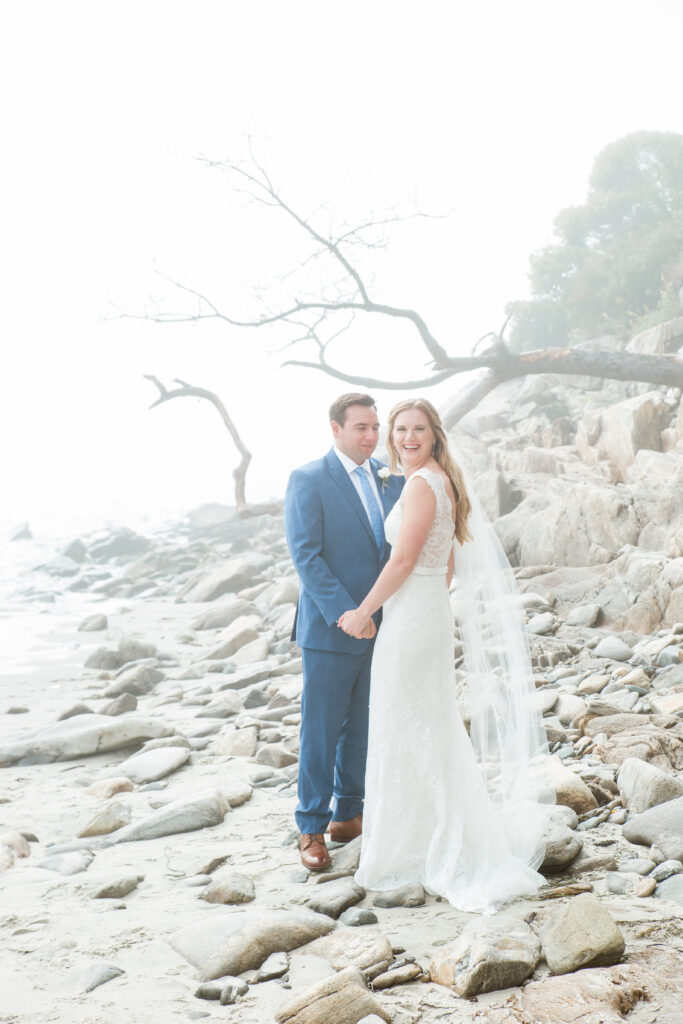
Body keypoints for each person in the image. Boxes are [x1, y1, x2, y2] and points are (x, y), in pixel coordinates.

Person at [338, 398, 549, 913]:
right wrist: (422, 597)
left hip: (413, 618)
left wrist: (364, 611)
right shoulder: (440, 481)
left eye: (419, 429)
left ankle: (419, 845)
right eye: (401, 429)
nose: (409, 437)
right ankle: (427, 830)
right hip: (425, 610)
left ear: (435, 435)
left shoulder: (420, 484)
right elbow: (446, 563)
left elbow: (406, 558)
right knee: (424, 720)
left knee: (405, 719)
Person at [284, 393, 404, 871]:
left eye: (375, 427)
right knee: (321, 730)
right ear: (335, 429)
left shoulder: (389, 479)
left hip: (385, 625)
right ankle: (311, 829)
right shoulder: (309, 479)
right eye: (361, 428)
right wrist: (346, 614)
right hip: (331, 630)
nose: (371, 436)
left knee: (362, 725)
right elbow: (306, 556)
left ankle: (348, 814)